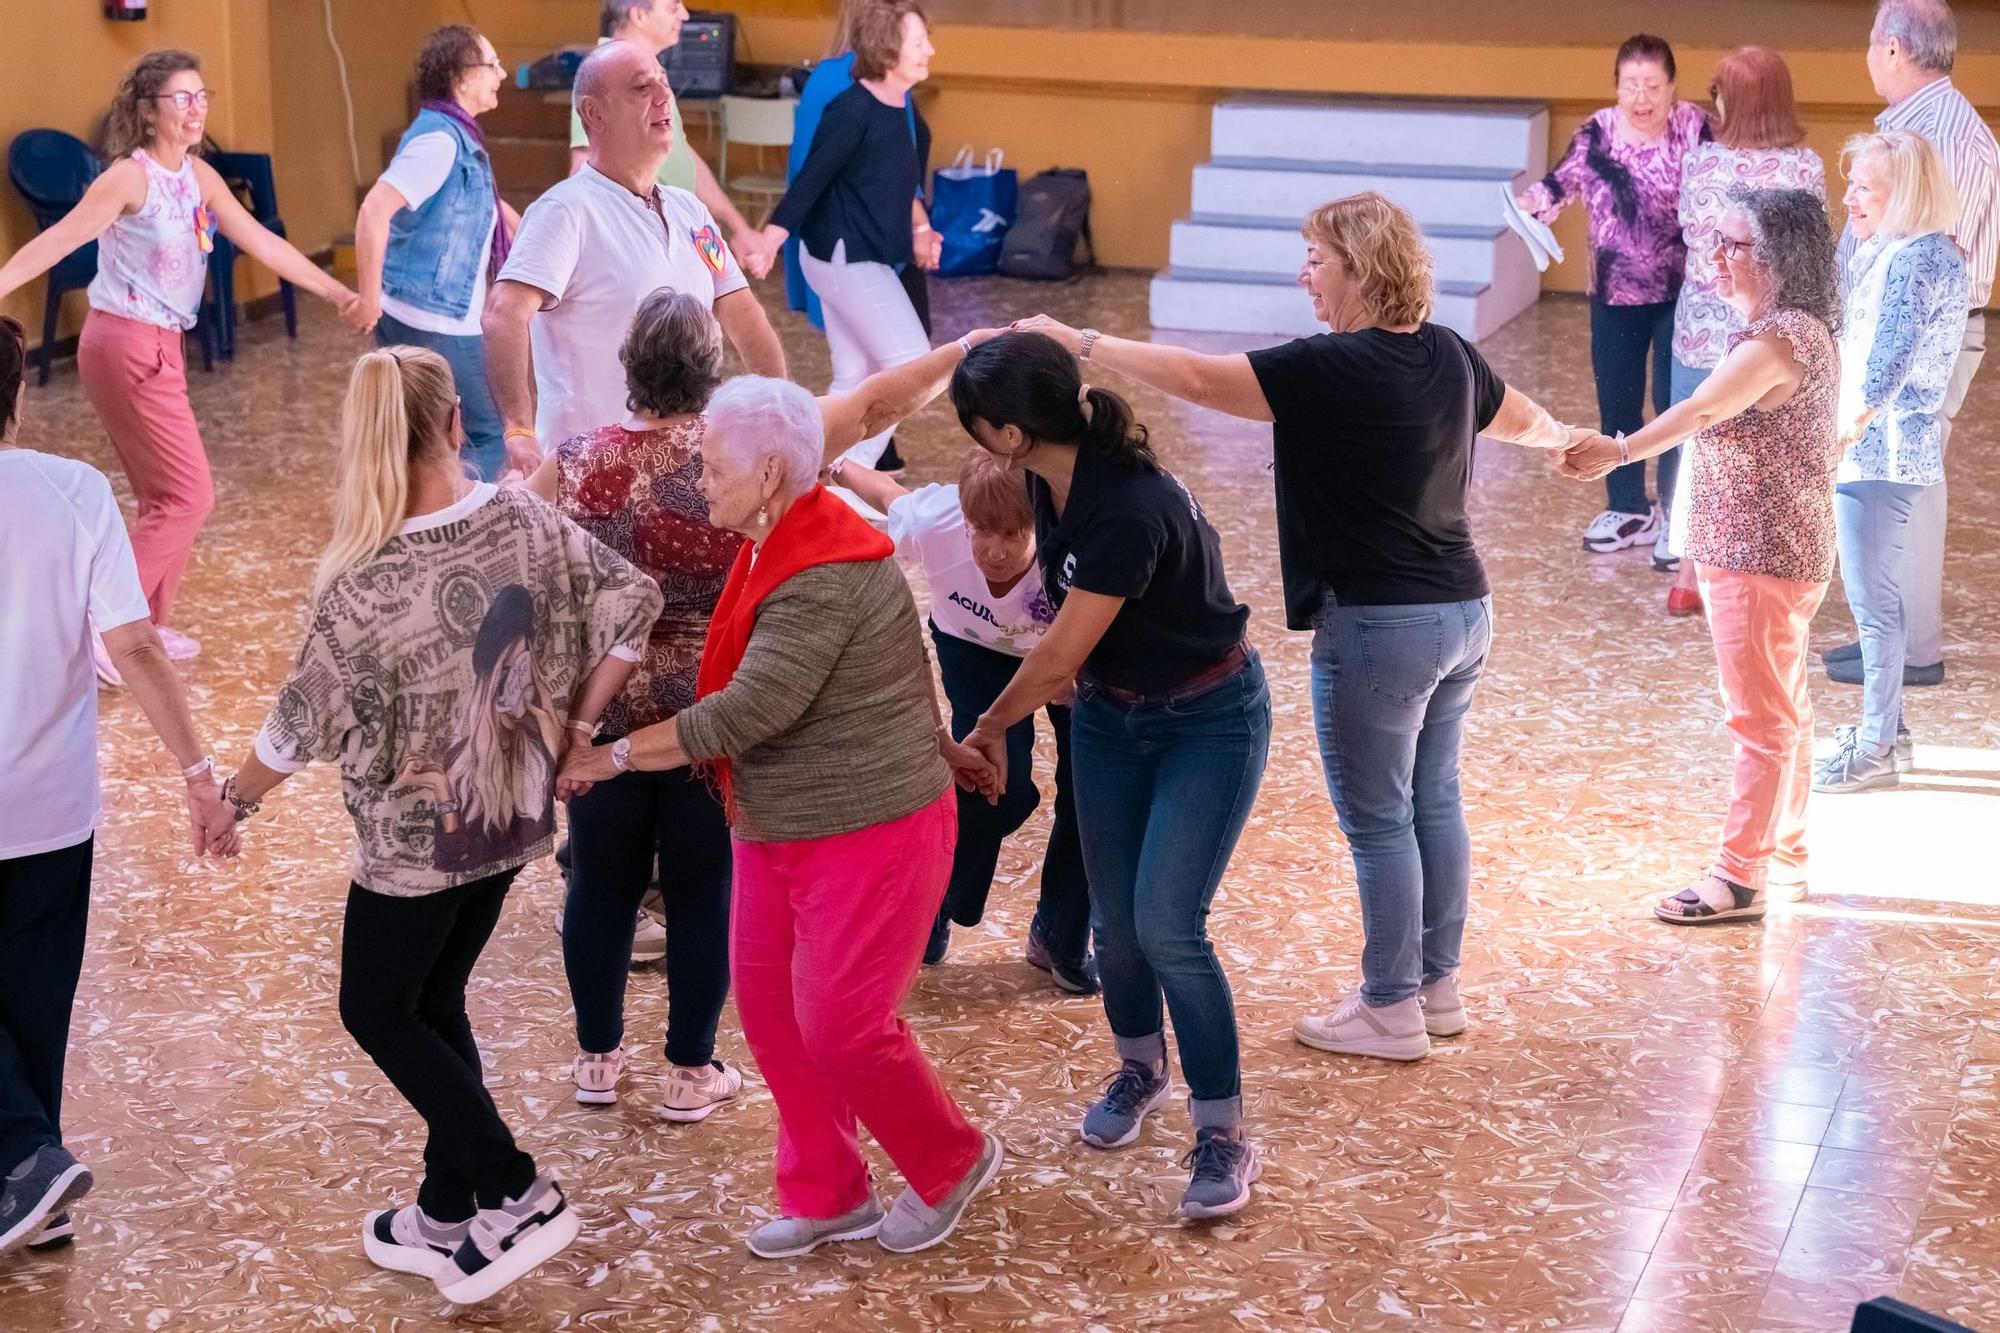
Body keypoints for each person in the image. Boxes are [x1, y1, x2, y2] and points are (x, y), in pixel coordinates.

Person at [1013, 191, 1574, 1066]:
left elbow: (1199, 379)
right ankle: (1437, 984)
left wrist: (1080, 342)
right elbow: (1525, 420)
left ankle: (1390, 1006)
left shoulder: (1331, 367)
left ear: (1361, 265)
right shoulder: (1452, 356)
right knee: (1433, 797)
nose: (1303, 272)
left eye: (1315, 257)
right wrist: (1571, 440)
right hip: (1465, 610)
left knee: (1381, 816)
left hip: (1383, 625)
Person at [201, 347, 663, 1305]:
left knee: (375, 1008)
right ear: (456, 423)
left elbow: (295, 728)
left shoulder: (361, 584)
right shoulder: (526, 518)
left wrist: (229, 802)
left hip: (414, 848)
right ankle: (443, 1208)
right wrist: (575, 730)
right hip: (511, 821)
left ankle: (514, 1186)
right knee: (437, 994)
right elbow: (634, 603)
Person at [557, 374, 1004, 1260]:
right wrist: (939, 731)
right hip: (777, 823)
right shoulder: (772, 539)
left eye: (713, 462)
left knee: (841, 1024)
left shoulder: (821, 568)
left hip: (868, 828)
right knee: (770, 1014)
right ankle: (831, 1192)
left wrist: (604, 758)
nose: (697, 474)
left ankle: (953, 1161)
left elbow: (739, 714)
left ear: (769, 472)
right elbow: (906, 654)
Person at [947, 331, 1268, 1222]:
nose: (972, 442)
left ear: (1011, 432)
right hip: (1111, 714)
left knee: (1169, 924)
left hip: (1207, 716)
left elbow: (1054, 661)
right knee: (1115, 923)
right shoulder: (1054, 482)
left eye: (975, 426)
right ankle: (1139, 1066)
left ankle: (1224, 1129)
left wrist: (987, 726)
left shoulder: (1128, 505)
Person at [0, 49, 363, 675]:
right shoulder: (128, 177)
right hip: (126, 344)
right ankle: (105, 636)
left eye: (202, 97)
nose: (196, 110)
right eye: (182, 99)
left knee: (163, 496)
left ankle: (147, 628)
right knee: (189, 497)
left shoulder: (197, 177)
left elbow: (260, 240)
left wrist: (336, 291)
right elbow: (65, 236)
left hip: (160, 345)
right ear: (148, 110)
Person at [0, 314, 233, 1257]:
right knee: (33, 994)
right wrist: (198, 772)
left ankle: (27, 1164)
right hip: (54, 806)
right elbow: (131, 643)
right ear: (17, 396)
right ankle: (36, 1186)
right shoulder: (77, 491)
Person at [1557, 188, 1840, 925]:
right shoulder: (1797, 330)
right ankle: (1786, 853)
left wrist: (1617, 450)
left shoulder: (1775, 343)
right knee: (1785, 708)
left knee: (1761, 717)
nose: (1718, 257)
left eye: (1736, 245)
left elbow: (1701, 410)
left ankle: (1739, 876)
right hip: (1776, 549)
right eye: (1718, 241)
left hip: (1758, 553)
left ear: (1779, 258)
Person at [829, 448, 1095, 993]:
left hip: (1064, 658)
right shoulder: (935, 520)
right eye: (982, 532)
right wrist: (834, 464)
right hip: (972, 648)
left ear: (1039, 523)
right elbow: (883, 492)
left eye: (1012, 534)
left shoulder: (1077, 539)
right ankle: (934, 906)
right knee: (996, 787)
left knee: (1091, 792)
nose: (994, 553)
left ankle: (1061, 936)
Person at [484, 40, 786, 480]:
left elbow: (742, 312)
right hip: (591, 478)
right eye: (642, 88)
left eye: (664, 83)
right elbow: (502, 315)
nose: (665, 97)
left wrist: (779, 406)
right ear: (594, 113)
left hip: (683, 469)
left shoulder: (689, 210)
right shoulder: (566, 211)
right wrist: (518, 429)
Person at [1824, 0, 1998, 689]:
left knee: (1907, 489)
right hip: (1906, 329)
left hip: (1920, 335)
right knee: (1889, 484)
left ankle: (1912, 650)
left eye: (1872, 42)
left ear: (1894, 49)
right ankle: (1889, 643)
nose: (1868, 55)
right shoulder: (1935, 124)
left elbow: (1926, 255)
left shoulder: (1941, 135)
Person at [1516, 34, 1709, 555]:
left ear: (1672, 88)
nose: (1641, 98)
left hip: (1682, 293)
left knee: (1676, 405)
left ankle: (1677, 515)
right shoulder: (1597, 133)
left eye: (1653, 86)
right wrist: (1531, 202)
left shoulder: (1695, 127)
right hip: (1615, 293)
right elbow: (1558, 184)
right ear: (1616, 88)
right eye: (1631, 86)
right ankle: (1629, 508)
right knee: (1618, 402)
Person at [1816, 131, 1967, 794]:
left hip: (1878, 452)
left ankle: (1875, 745)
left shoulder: (1915, 259)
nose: (1849, 197)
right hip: (1887, 448)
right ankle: (1889, 731)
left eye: (1864, 186)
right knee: (1881, 601)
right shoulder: (1907, 250)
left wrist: (1846, 428)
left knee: (1874, 605)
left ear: (1902, 191)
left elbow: (1891, 356)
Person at [1663, 47, 1826, 614]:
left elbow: (1692, 235)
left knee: (1697, 444)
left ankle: (1689, 574)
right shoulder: (1804, 167)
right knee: (1762, 452)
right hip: (1771, 339)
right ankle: (1749, 565)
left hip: (1704, 329)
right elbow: (1812, 259)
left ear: (1734, 99)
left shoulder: (1703, 163)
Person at [760, 0, 940, 470]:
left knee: (854, 376)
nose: (930, 51)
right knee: (910, 362)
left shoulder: (896, 104)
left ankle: (804, 469)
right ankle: (847, 476)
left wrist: (921, 227)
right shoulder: (852, 108)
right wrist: (771, 237)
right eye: (919, 43)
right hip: (843, 259)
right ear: (888, 50)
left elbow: (898, 181)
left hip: (861, 257)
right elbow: (812, 178)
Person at [353, 25, 521, 481]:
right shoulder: (441, 141)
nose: (502, 75)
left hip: (414, 310)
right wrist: (367, 297)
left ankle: (412, 523)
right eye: (492, 65)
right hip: (437, 320)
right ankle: (459, 528)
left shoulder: (449, 134)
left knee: (418, 437)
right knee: (488, 436)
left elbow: (477, 200)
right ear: (464, 76)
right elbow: (373, 212)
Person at [567, 1, 776, 280]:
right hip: (643, 245)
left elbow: (681, 154)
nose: (685, 15)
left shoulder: (647, 71)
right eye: (673, 6)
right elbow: (582, 166)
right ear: (639, 15)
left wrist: (738, 226)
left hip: (672, 234)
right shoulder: (606, 71)